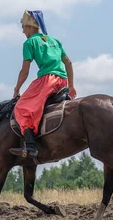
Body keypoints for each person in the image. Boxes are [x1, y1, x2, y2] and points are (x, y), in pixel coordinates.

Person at [9, 10, 77, 158]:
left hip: (47, 80)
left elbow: (25, 72)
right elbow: (68, 63)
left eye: (24, 27)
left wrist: (17, 89)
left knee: (21, 107)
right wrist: (71, 86)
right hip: (62, 81)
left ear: (31, 26)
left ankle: (31, 146)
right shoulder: (55, 41)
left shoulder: (29, 42)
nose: (23, 31)